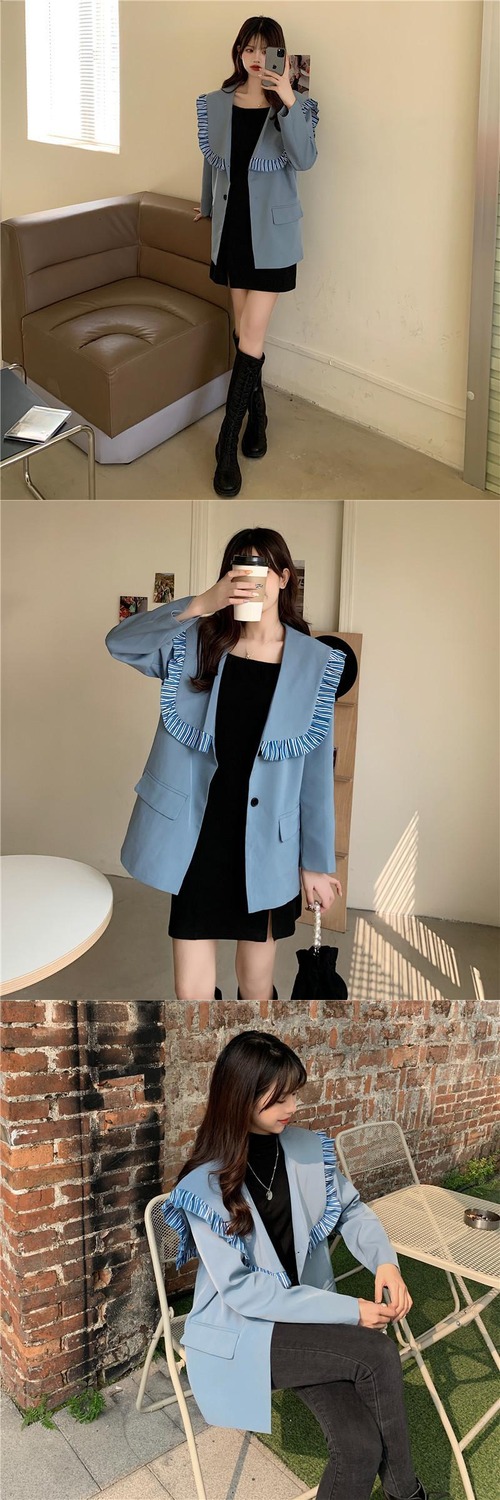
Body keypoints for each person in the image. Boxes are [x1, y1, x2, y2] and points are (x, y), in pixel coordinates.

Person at [163, 1031, 442, 1500]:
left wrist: (385, 1264)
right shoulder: (204, 1186)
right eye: (279, 1098)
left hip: (307, 1317)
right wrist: (351, 1311)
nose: (292, 1106)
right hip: (245, 1330)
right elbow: (242, 1292)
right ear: (240, 1096)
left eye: (294, 1093)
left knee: (359, 1448)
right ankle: (407, 1494)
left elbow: (352, 1211)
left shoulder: (307, 1149)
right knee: (376, 1353)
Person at [106, 527, 344, 1003]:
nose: (249, 579)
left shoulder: (315, 663)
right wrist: (199, 604)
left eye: (261, 568)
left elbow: (316, 775)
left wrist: (316, 864)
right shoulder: (196, 640)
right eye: (239, 567)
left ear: (283, 578)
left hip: (267, 844)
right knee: (190, 992)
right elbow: (120, 643)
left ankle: (250, 1053)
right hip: (197, 836)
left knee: (255, 985)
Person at [194, 16, 319, 497]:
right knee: (245, 332)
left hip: (273, 237)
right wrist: (206, 209)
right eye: (249, 47)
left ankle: (226, 443)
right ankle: (259, 418)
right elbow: (212, 166)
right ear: (238, 51)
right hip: (231, 233)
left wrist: (286, 97)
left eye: (266, 50)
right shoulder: (216, 103)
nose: (255, 57)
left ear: (280, 56)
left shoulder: (298, 105)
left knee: (251, 333)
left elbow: (305, 160)